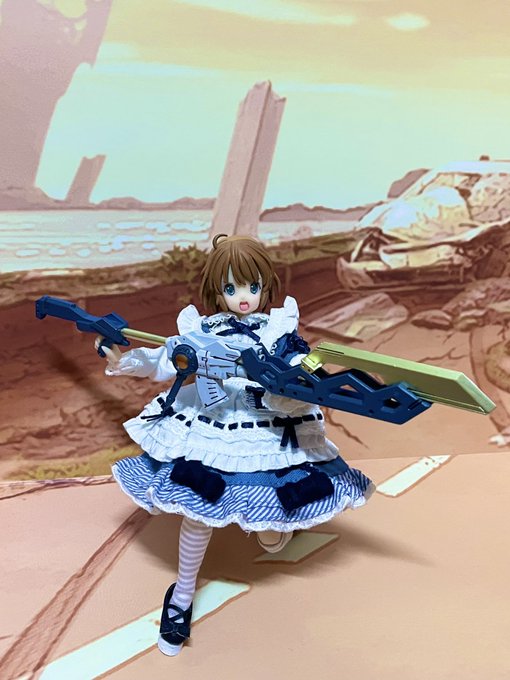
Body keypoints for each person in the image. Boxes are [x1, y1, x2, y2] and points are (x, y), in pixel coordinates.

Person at [101, 234, 374, 656]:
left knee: (271, 525)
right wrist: (124, 360)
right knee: (198, 510)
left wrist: (301, 375)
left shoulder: (277, 330)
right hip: (212, 424)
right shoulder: (202, 330)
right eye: (231, 288)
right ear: (218, 290)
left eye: (251, 286)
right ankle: (182, 595)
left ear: (265, 286)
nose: (242, 297)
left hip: (266, 425)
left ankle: (275, 534)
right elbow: (165, 361)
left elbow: (300, 365)